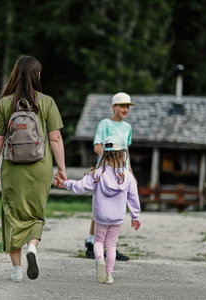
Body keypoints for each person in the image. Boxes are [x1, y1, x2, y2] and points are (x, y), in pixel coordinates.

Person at [0, 55, 67, 282]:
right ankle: (32, 247)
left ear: (15, 75)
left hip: (13, 167)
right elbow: (56, 139)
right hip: (40, 166)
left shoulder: (5, 103)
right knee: (35, 214)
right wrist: (61, 170)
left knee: (13, 213)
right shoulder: (47, 102)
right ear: (37, 75)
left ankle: (16, 271)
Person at [56, 135, 140, 284]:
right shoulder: (127, 176)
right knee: (112, 245)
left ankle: (100, 259)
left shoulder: (97, 174)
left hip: (101, 216)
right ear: (122, 154)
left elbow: (80, 186)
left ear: (104, 155)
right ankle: (109, 275)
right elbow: (133, 197)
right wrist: (135, 216)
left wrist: (66, 184)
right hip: (117, 217)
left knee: (99, 241)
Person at [85, 92, 135, 261]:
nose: (125, 109)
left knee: (117, 209)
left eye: (127, 106)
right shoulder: (104, 124)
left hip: (122, 172)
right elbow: (97, 146)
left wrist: (130, 172)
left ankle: (111, 246)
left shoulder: (127, 127)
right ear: (114, 107)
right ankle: (92, 242)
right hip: (107, 170)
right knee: (101, 207)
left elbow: (126, 151)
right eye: (122, 106)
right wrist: (110, 155)